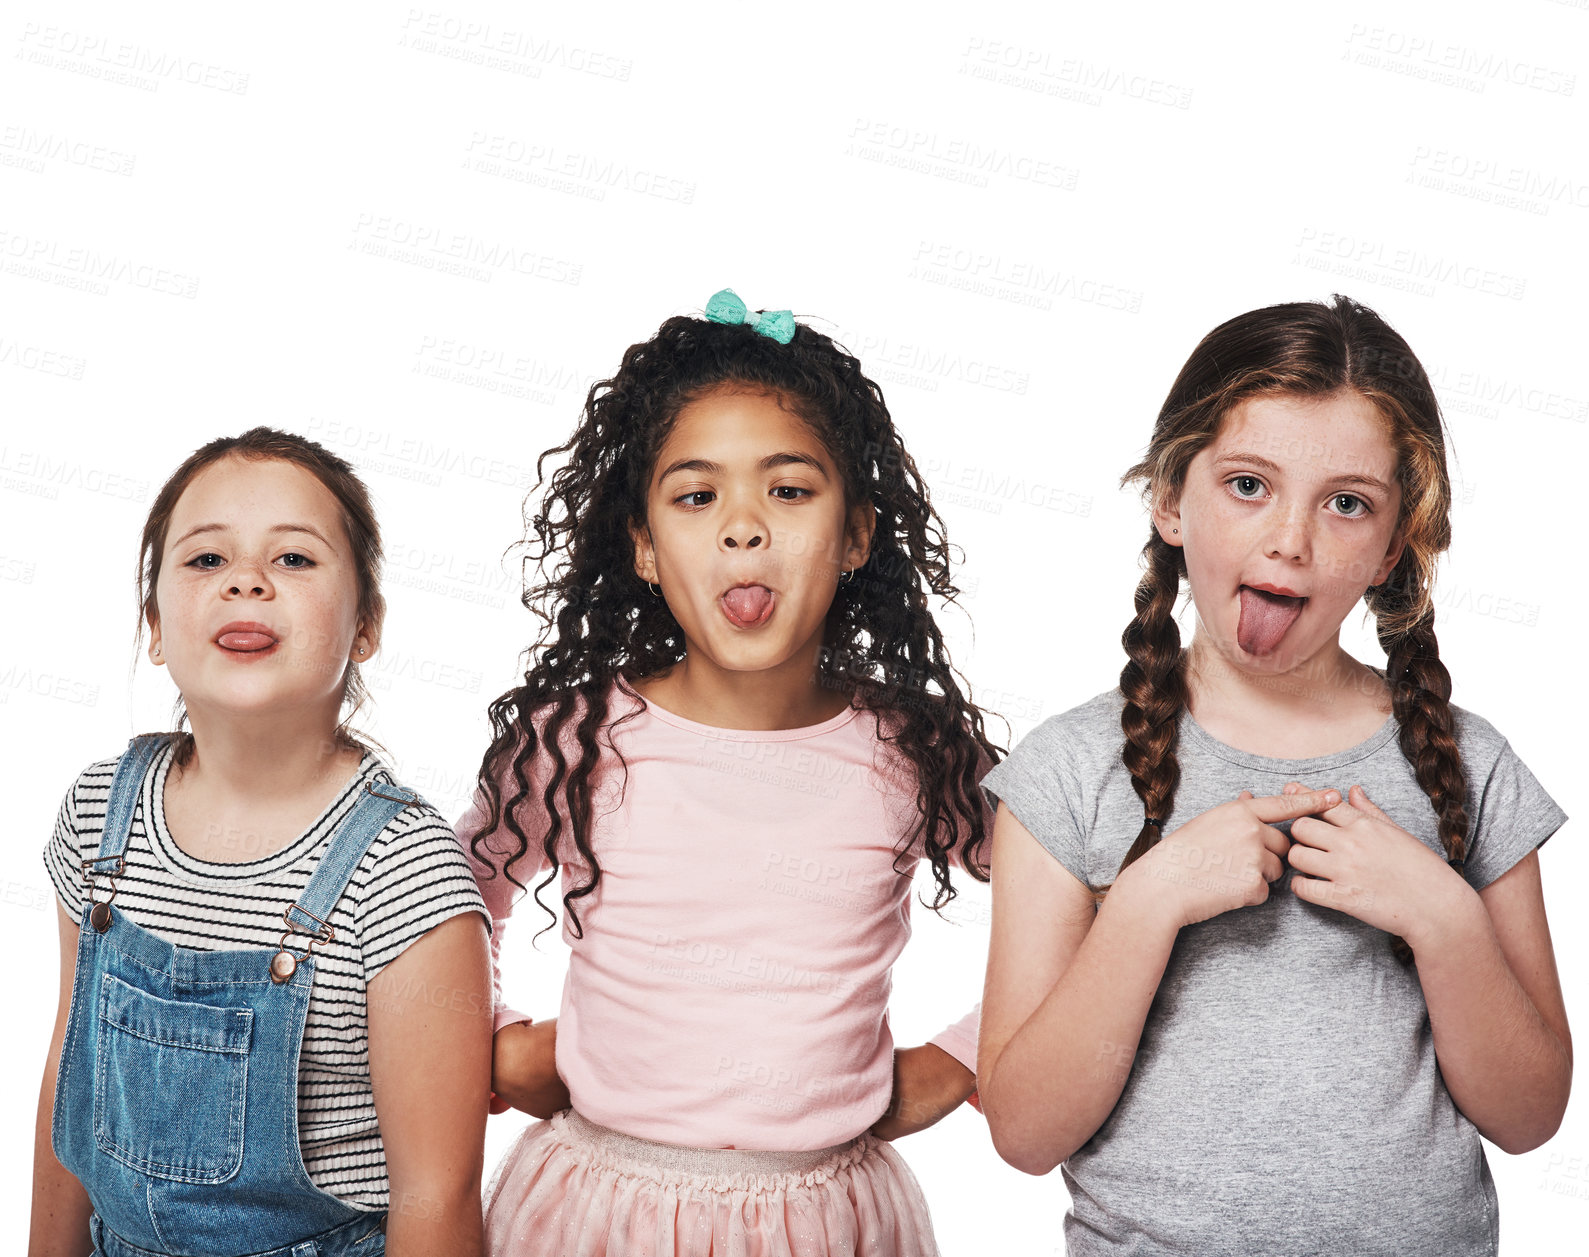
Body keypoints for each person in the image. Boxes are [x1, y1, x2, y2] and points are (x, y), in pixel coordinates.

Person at [977, 294, 1572, 1256]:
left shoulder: (1469, 765)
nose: (1290, 539)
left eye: (1345, 503)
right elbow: (1022, 1128)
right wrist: (1144, 904)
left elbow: (1530, 1114)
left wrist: (1441, 915)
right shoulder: (1066, 772)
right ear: (1170, 501)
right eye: (1248, 484)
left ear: (1391, 547)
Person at [461, 290, 1000, 1256]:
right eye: (697, 495)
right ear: (643, 546)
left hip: (828, 1220)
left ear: (857, 535)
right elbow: (454, 899)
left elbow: (1073, 894)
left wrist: (965, 1055)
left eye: (788, 490)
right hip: (598, 1212)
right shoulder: (575, 736)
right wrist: (499, 1037)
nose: (742, 528)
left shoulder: (913, 750)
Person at [30, 428, 494, 1257]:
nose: (246, 579)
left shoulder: (401, 868)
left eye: (294, 560)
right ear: (156, 627)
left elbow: (439, 1194)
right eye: (207, 560)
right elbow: (71, 1079)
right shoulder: (101, 811)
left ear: (365, 626)